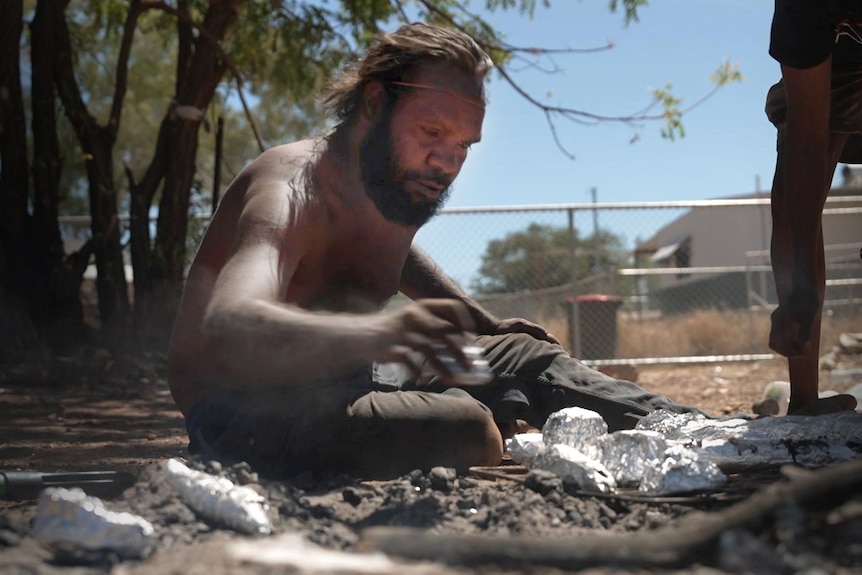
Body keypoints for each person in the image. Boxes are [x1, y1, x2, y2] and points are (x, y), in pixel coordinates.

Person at [167, 22, 701, 480]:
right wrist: (383, 332)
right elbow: (230, 319)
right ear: (375, 103)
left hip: (349, 374)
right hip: (246, 409)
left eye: (464, 145)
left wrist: (481, 322)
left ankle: (700, 430)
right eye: (432, 131)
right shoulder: (292, 185)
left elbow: (392, 254)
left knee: (522, 355)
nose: (446, 162)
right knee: (466, 429)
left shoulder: (387, 183)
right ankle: (473, 423)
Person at [765, 0, 860, 415]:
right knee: (789, 203)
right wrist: (802, 286)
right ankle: (804, 400)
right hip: (837, 73)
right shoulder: (803, 5)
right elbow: (807, 139)